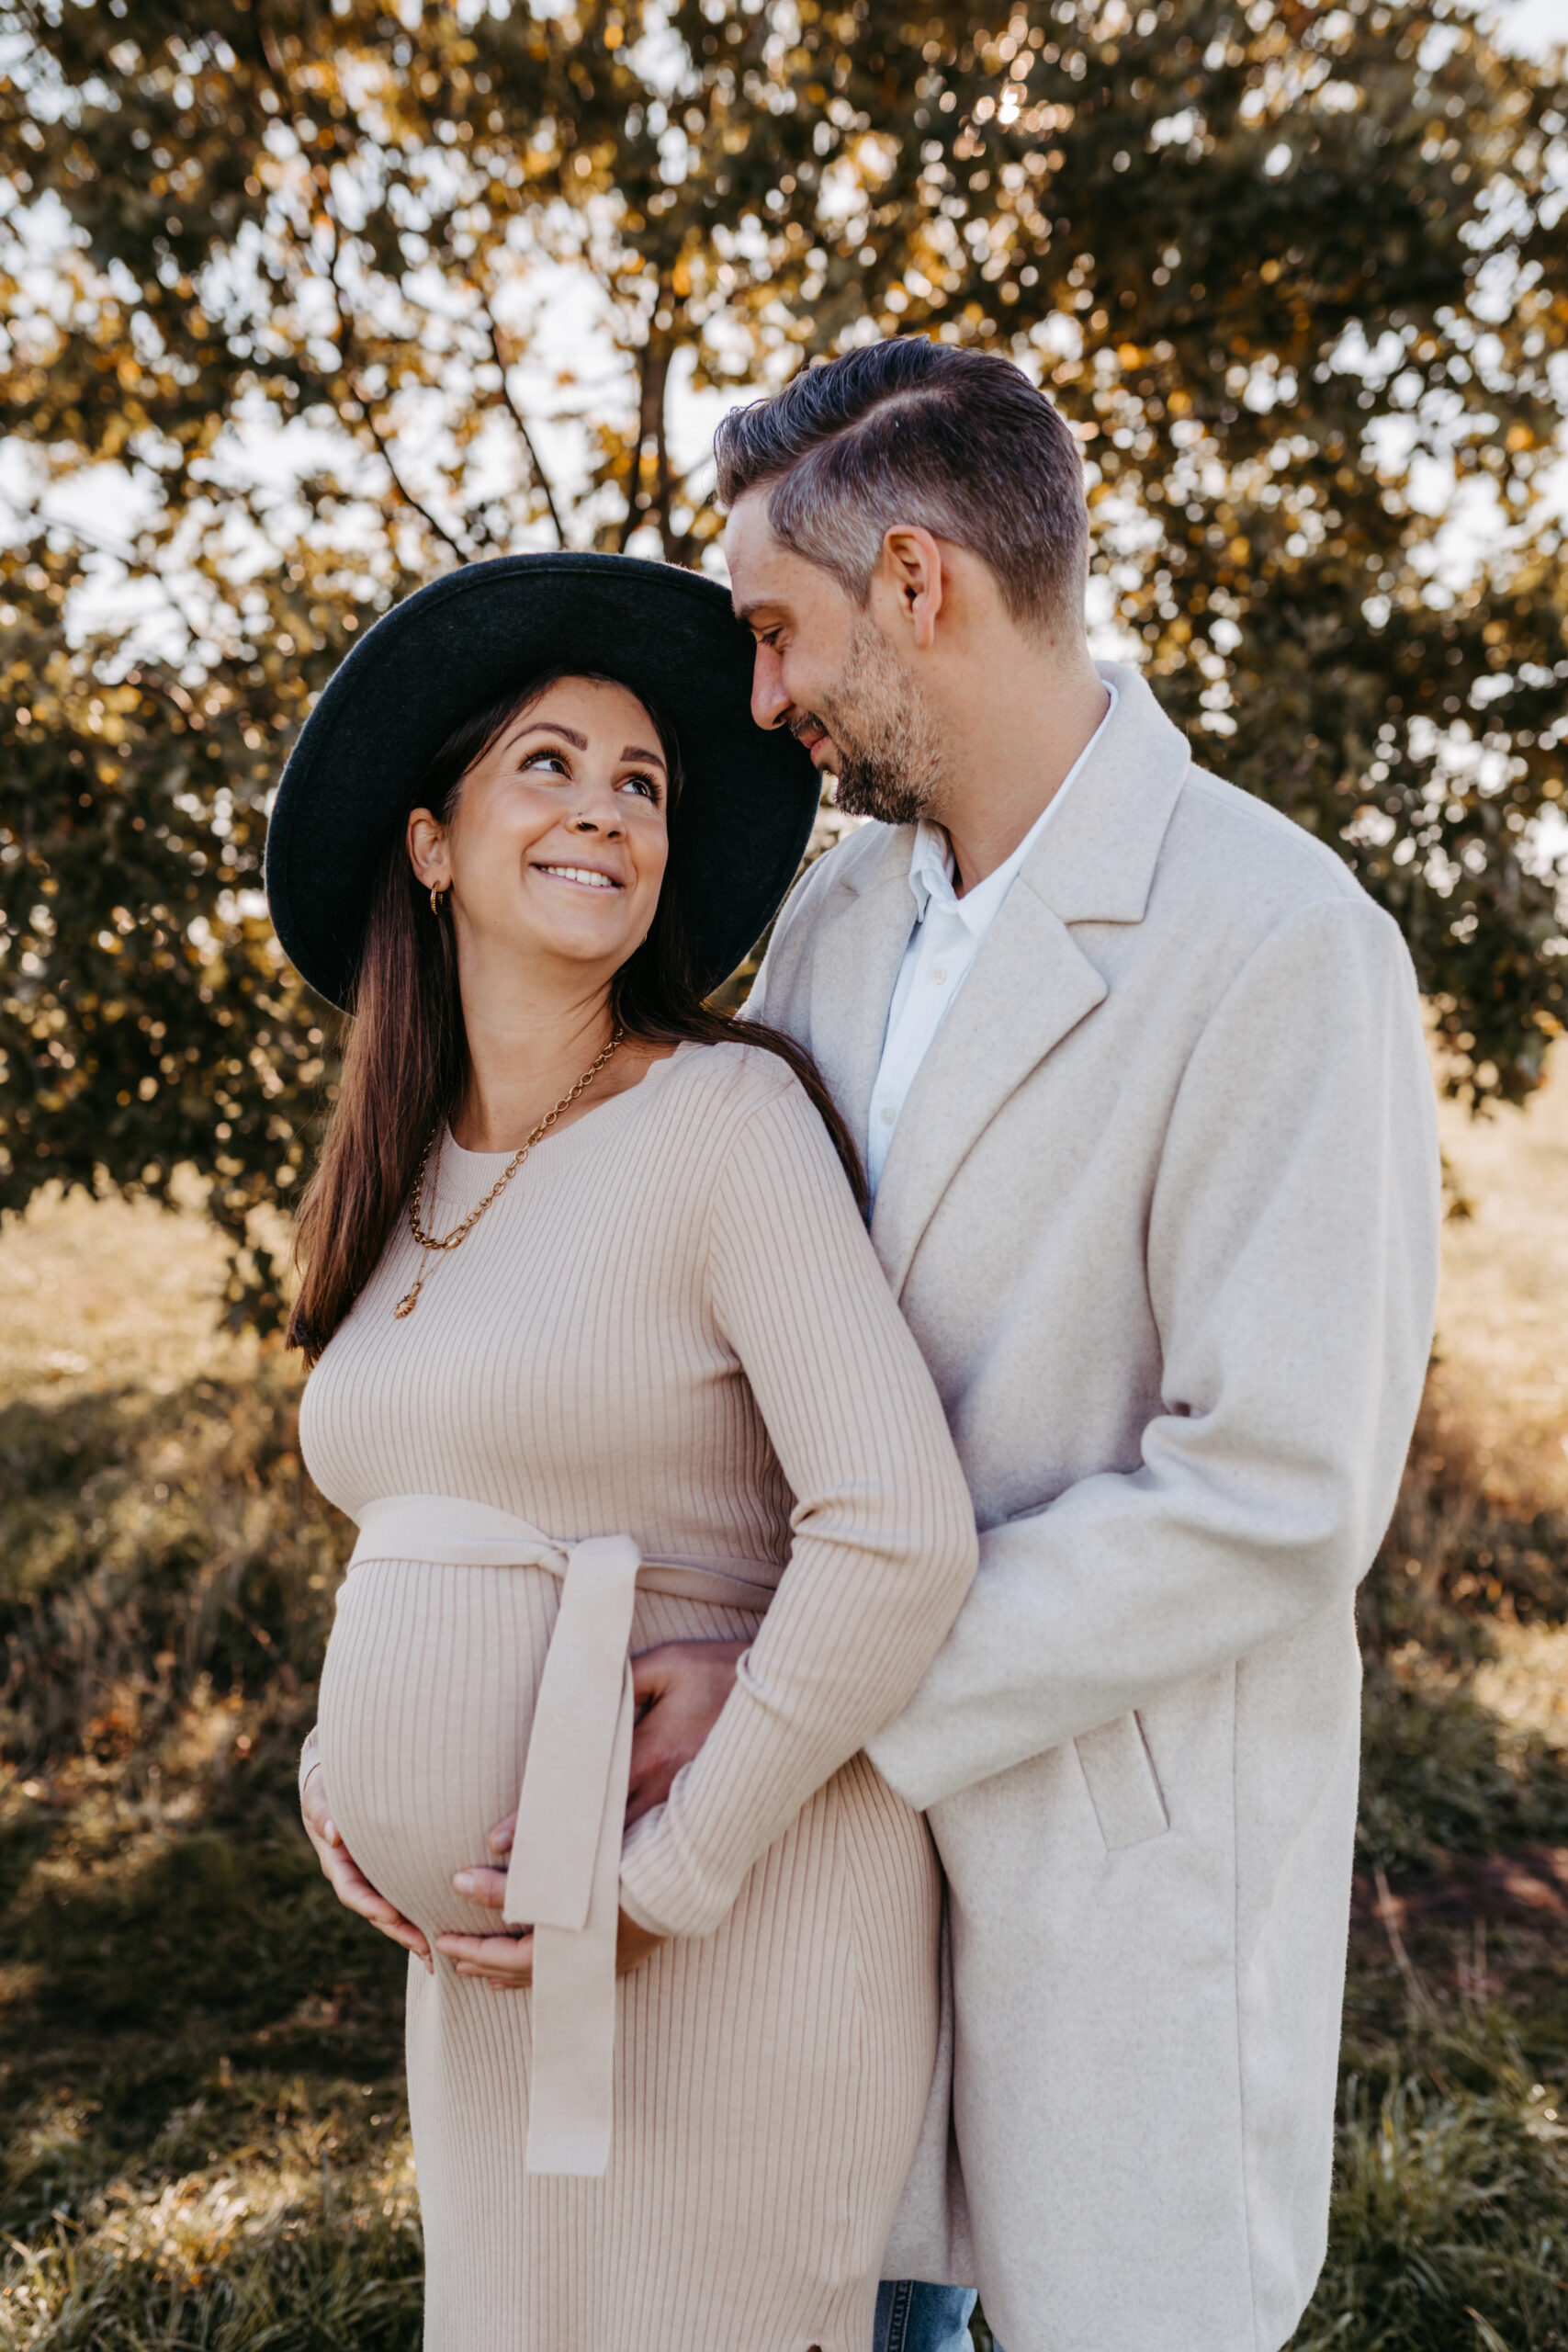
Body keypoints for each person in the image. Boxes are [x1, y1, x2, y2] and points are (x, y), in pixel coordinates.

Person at [609, 341, 1443, 2352]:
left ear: (914, 586)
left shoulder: (1275, 936)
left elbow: (1271, 1493)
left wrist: (822, 1679)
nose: (759, 697)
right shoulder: (830, 925)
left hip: (1112, 1869)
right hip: (833, 1901)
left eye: (776, 631)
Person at [265, 550, 978, 2352]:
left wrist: (664, 1880)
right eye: (550, 764)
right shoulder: (405, 1172)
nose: (606, 809)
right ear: (429, 840)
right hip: (496, 1974)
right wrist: (342, 1778)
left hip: (726, 1926)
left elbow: (895, 1536)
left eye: (642, 782)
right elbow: (429, 1518)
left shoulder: (718, 1118)